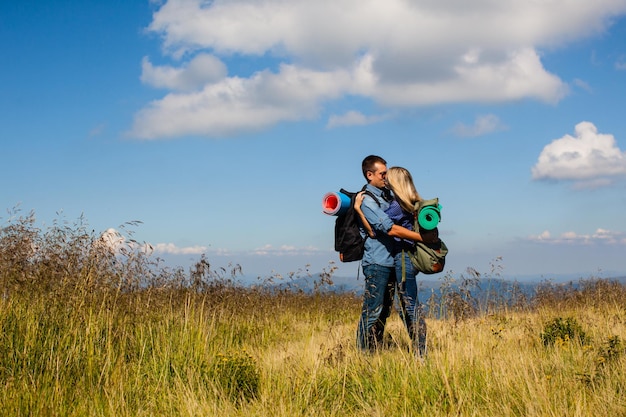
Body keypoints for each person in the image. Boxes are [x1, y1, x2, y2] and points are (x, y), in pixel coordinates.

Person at [354, 155, 427, 353]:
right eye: (382, 174)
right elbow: (389, 228)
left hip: (394, 259)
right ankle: (363, 353)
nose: (386, 177)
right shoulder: (366, 200)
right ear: (370, 175)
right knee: (373, 310)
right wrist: (423, 239)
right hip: (378, 262)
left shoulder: (387, 197)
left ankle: (375, 349)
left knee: (385, 311)